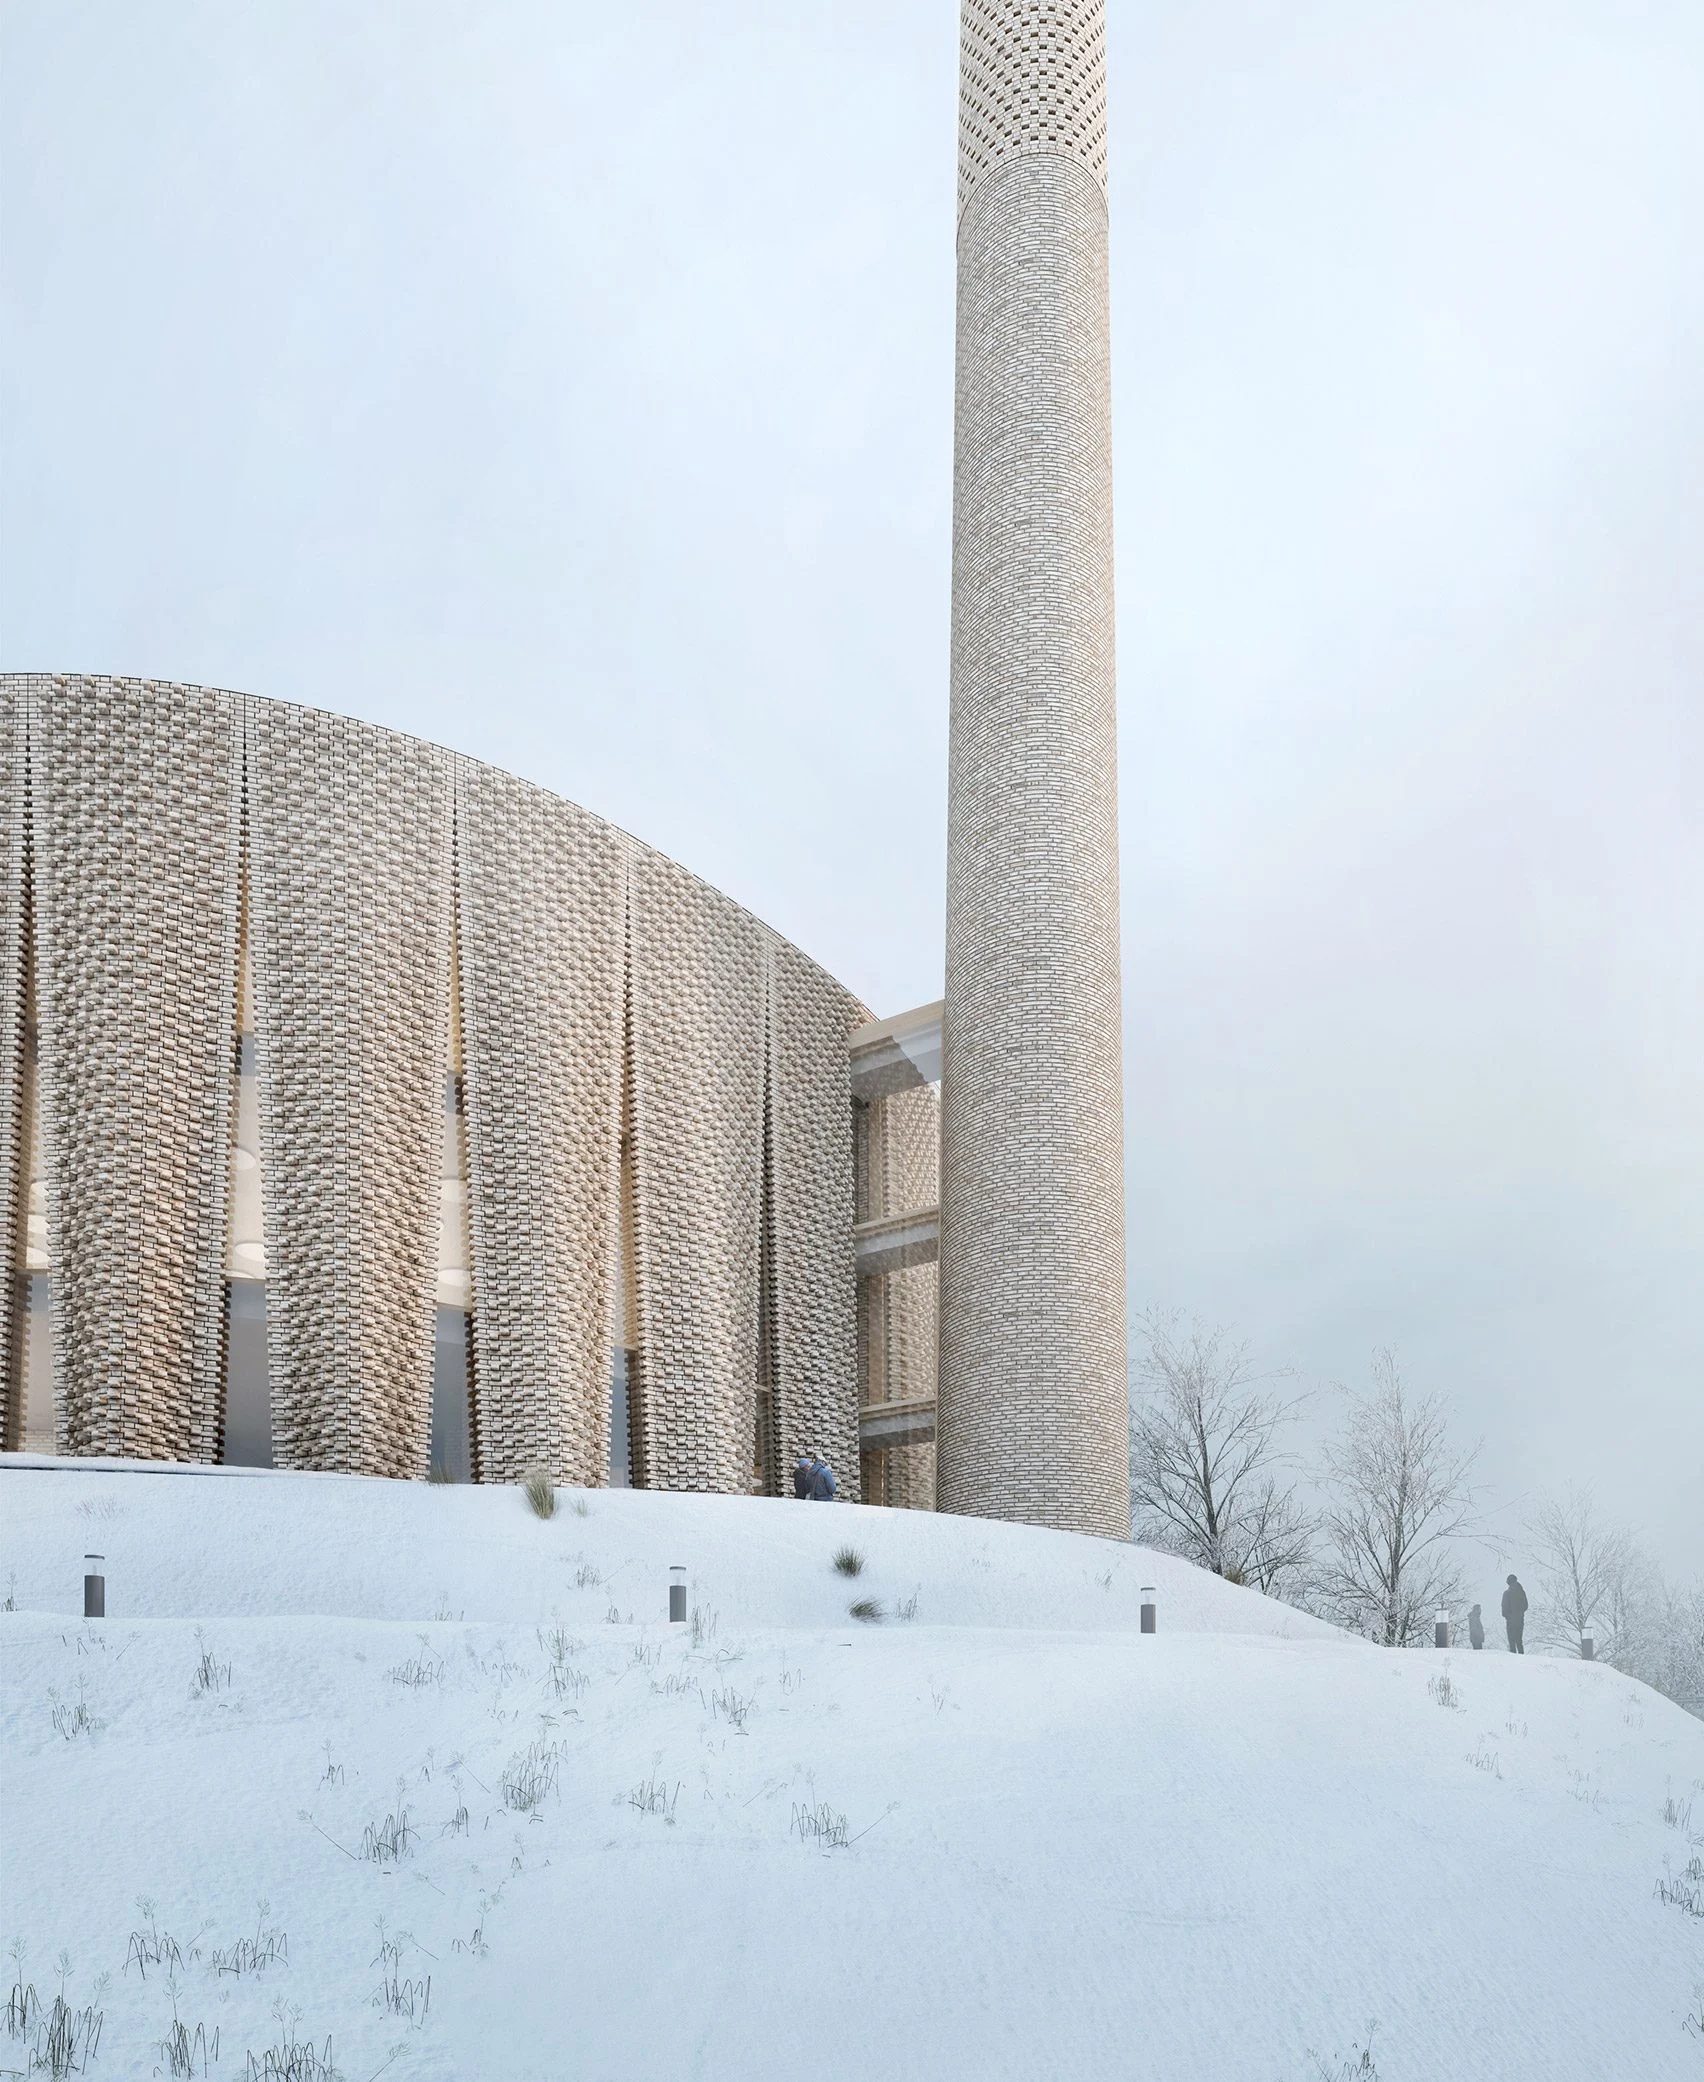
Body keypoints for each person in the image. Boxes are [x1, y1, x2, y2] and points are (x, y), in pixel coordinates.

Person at [1501, 1574, 1527, 1654]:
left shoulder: (1507, 1593)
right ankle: (1522, 1659)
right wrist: (1520, 1614)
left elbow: (1504, 1608)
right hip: (1520, 1620)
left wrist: (1508, 1616)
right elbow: (1526, 1606)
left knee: (1512, 1642)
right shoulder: (1522, 1592)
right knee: (1519, 1641)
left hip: (1511, 1621)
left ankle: (1513, 1662)